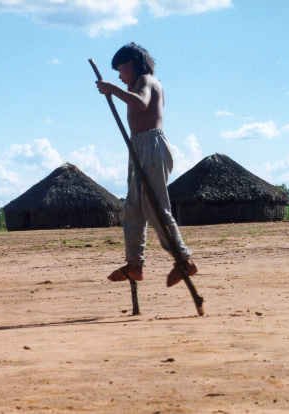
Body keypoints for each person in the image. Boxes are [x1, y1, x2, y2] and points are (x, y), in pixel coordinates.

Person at [95, 42, 197, 288]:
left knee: (156, 208)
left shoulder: (147, 81)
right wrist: (117, 90)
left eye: (120, 70)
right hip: (139, 146)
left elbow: (141, 103)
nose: (119, 77)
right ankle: (134, 264)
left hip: (151, 144)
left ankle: (184, 260)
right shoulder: (139, 83)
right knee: (133, 209)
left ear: (131, 64)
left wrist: (113, 89)